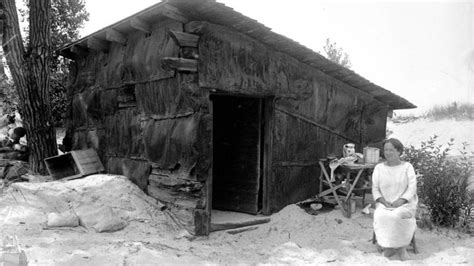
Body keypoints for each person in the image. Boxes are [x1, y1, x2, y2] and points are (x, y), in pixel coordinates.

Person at [372, 138, 417, 261]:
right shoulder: (379, 168)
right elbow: (375, 189)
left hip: (405, 203)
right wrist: (382, 201)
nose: (388, 153)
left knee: (397, 216)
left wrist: (401, 201)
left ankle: (401, 248)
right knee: (380, 215)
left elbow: (412, 188)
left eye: (391, 150)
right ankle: (388, 247)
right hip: (385, 203)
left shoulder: (407, 167)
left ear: (399, 151)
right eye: (386, 150)